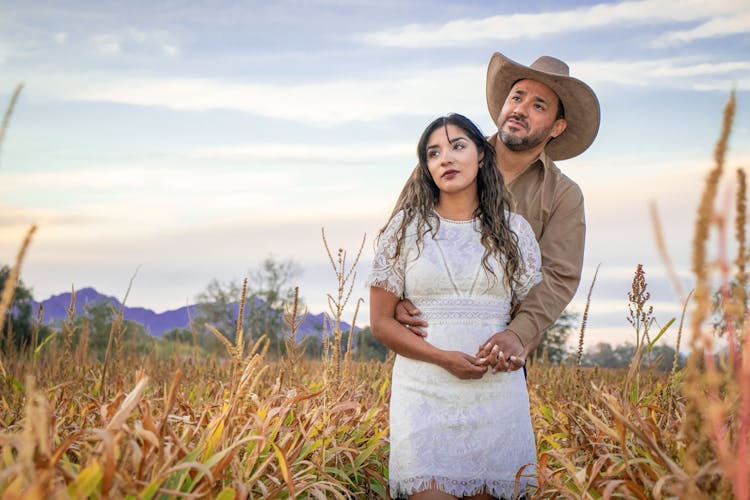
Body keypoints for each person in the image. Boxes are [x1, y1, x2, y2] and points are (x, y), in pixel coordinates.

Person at [367, 113, 542, 499]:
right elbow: (381, 323)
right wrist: (443, 357)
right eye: (433, 153)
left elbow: (533, 316)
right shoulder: (404, 230)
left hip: (496, 394)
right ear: (426, 168)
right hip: (424, 392)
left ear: (481, 155)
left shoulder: (516, 232)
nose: (445, 158)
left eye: (457, 146)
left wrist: (519, 348)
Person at [396, 53, 600, 372]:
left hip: (498, 349)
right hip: (425, 337)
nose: (520, 109)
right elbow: (400, 236)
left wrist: (518, 335)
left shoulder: (563, 194)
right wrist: (397, 299)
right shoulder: (444, 160)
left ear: (557, 127)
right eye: (517, 97)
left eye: (538, 105)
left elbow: (560, 275)